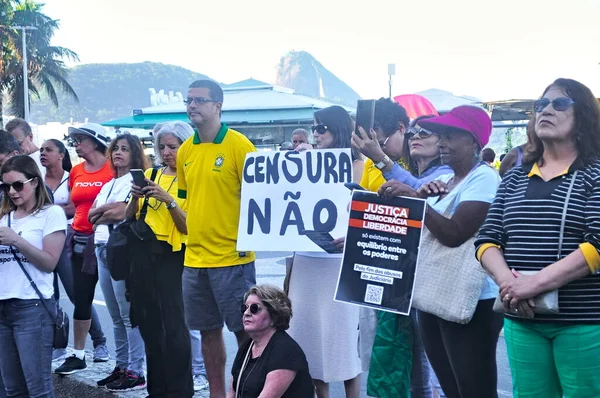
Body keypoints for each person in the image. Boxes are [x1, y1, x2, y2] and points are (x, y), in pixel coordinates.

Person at [476, 78, 600, 397]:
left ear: (583, 116)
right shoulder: (515, 177)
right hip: (522, 318)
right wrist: (510, 284)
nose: (546, 110)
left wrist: (533, 284)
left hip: (584, 322)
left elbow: (597, 243)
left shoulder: (595, 173)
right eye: (540, 105)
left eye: (560, 103)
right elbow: (487, 241)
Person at [379, 105, 503, 398]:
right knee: (452, 387)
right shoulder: (448, 183)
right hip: (437, 295)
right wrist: (417, 198)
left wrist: (414, 200)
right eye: (441, 135)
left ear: (474, 141)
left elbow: (454, 234)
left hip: (472, 300)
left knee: (474, 388)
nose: (442, 142)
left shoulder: (484, 178)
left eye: (451, 135)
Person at [178, 79, 257, 398]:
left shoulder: (240, 146)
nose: (192, 105)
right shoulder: (185, 150)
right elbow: (185, 203)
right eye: (188, 100)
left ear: (217, 106)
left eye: (199, 100)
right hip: (194, 261)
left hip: (232, 260)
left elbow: (260, 202)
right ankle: (217, 393)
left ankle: (248, 391)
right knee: (208, 333)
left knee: (246, 333)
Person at [352, 107, 438, 398]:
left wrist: (385, 164)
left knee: (425, 360)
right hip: (386, 267)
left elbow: (425, 197)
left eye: (379, 138)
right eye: (414, 134)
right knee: (394, 353)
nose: (416, 139)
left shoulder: (434, 173)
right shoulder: (375, 167)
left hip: (421, 273)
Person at [289, 105, 363, 398]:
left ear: (338, 130)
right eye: (314, 129)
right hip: (307, 258)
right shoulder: (301, 159)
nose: (315, 134)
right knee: (308, 336)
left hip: (338, 260)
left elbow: (352, 202)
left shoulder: (357, 162)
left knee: (342, 339)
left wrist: (311, 164)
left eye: (321, 128)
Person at [125, 121, 197, 396]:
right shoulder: (151, 172)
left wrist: (168, 200)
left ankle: (180, 390)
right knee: (150, 324)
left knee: (175, 327)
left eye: (173, 147)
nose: (167, 152)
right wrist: (135, 197)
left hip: (174, 256)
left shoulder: (191, 178)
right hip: (144, 256)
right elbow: (130, 216)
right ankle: (156, 389)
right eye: (163, 146)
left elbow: (187, 226)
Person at [0, 155, 67, 397]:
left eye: (18, 185)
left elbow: (49, 263)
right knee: (13, 389)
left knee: (38, 389)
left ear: (35, 182)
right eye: (5, 186)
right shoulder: (4, 217)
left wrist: (16, 240)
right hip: (3, 307)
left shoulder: (51, 214)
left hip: (32, 307)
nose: (12, 192)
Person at [91, 133, 148, 391]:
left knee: (128, 316)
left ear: (135, 153)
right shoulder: (108, 184)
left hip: (121, 250)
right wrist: (107, 211)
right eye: (115, 149)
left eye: (125, 149)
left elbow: (126, 212)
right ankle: (121, 365)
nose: (118, 153)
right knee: (115, 316)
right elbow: (92, 214)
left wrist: (106, 211)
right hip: (101, 247)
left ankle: (136, 371)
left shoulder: (135, 180)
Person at [55, 123, 112, 375]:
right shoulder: (76, 171)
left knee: (122, 304)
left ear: (96, 142)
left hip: (109, 241)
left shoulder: (114, 169)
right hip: (79, 239)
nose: (75, 144)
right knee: (82, 297)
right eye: (74, 140)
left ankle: (126, 362)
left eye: (80, 139)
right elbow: (71, 205)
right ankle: (78, 355)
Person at [229, 285, 314, 398]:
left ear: (274, 316)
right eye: (245, 308)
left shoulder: (285, 352)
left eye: (254, 308)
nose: (246, 313)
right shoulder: (247, 347)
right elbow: (232, 393)